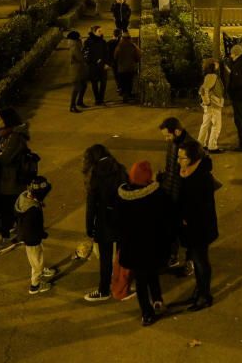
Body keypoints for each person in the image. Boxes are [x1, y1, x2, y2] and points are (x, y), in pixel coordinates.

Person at [117, 161, 176, 326]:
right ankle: (157, 299)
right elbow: (168, 219)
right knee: (152, 273)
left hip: (133, 247)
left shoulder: (122, 197)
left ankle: (146, 312)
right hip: (154, 245)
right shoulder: (157, 195)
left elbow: (118, 223)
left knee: (141, 281)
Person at [83, 145, 128, 302]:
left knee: (105, 258)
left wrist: (89, 227)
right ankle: (123, 287)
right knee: (123, 255)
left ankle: (104, 290)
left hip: (104, 221)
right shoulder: (120, 168)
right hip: (122, 218)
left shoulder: (95, 174)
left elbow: (91, 204)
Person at [177, 140, 219, 312]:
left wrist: (186, 217)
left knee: (201, 261)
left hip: (199, 227)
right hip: (191, 226)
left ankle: (204, 295)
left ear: (193, 159)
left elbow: (202, 206)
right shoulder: (188, 171)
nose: (179, 161)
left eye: (182, 158)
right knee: (197, 259)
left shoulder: (201, 178)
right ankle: (199, 291)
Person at [158, 117, 194, 268]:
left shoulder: (190, 147)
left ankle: (190, 260)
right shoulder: (173, 143)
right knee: (172, 227)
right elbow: (171, 168)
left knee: (188, 231)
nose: (166, 139)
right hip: (171, 192)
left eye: (168, 135)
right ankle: (172, 255)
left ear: (177, 131)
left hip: (183, 195)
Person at [15, 176, 56, 294]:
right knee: (36, 262)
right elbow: (33, 228)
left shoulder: (24, 197)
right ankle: (35, 285)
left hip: (29, 236)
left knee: (37, 258)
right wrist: (42, 234)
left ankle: (40, 271)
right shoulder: (32, 210)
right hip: (32, 239)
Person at [0, 107, 30, 245]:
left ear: (7, 120)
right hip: (9, 178)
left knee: (10, 207)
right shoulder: (7, 135)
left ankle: (13, 234)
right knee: (9, 207)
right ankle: (15, 232)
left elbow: (4, 158)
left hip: (13, 180)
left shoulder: (14, 137)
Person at [198, 59, 226, 152]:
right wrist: (207, 102)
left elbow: (203, 89)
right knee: (216, 125)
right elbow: (204, 90)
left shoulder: (208, 76)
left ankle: (201, 144)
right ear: (212, 66)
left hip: (210, 104)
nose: (218, 65)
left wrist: (206, 102)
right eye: (216, 64)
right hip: (214, 104)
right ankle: (212, 146)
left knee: (205, 124)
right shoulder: (212, 76)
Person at [84, 25, 110, 106]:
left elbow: (107, 53)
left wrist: (106, 63)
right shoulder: (88, 42)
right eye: (99, 31)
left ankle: (101, 99)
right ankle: (97, 99)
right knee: (94, 83)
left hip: (102, 66)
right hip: (93, 66)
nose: (101, 33)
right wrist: (95, 60)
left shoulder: (103, 42)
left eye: (101, 31)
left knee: (103, 83)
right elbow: (86, 55)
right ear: (94, 32)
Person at [113, 31, 141, 102]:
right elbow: (138, 56)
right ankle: (128, 95)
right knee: (129, 82)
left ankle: (124, 96)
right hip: (130, 68)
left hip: (121, 69)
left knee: (123, 83)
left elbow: (115, 57)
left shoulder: (119, 46)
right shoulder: (133, 46)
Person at [67, 31, 89, 113]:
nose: (81, 36)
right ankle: (72, 106)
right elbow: (80, 57)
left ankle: (79, 101)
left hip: (80, 69)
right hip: (76, 70)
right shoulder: (74, 46)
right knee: (76, 88)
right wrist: (86, 57)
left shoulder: (77, 44)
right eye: (79, 36)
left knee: (84, 85)